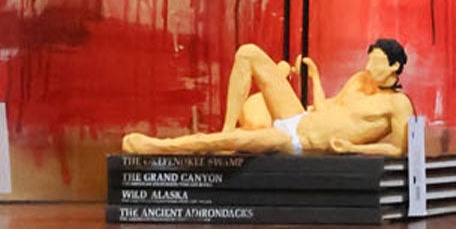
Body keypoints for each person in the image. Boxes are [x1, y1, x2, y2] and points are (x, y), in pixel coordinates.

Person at [122, 37, 413, 156]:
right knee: (248, 52)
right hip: (299, 117)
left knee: (234, 141)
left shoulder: (398, 104)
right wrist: (314, 77)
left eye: (376, 62)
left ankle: (159, 147)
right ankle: (226, 126)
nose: (368, 67)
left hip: (298, 141)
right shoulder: (360, 81)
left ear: (394, 66)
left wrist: (353, 148)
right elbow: (328, 107)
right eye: (369, 60)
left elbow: (400, 151)